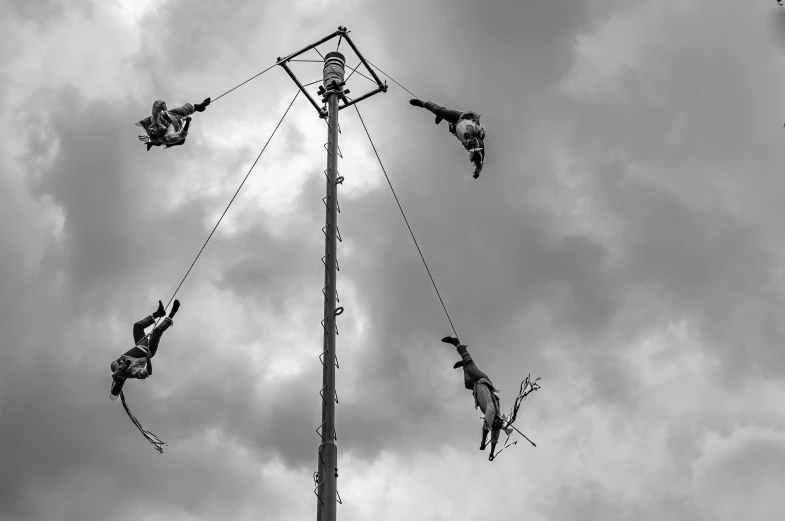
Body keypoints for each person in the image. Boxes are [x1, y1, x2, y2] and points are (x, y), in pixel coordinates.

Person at [441, 336, 512, 461]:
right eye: (493, 425)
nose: (492, 425)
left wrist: (492, 452)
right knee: (470, 366)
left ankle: (463, 364)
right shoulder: (491, 412)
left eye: (494, 426)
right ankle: (457, 343)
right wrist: (483, 443)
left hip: (476, 385)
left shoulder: (495, 424)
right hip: (482, 380)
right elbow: (485, 430)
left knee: (468, 384)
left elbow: (495, 439)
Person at [110, 299, 181, 400]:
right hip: (148, 352)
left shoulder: (114, 367)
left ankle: (159, 313)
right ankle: (172, 314)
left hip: (140, 344)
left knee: (137, 326)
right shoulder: (132, 372)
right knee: (157, 332)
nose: (120, 378)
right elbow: (148, 372)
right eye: (120, 381)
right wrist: (148, 359)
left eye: (117, 380)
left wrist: (120, 366)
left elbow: (114, 364)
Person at [409, 99, 486, 178]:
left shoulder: (471, 150)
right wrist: (477, 171)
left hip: (455, 126)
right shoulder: (479, 140)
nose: (468, 143)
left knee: (442, 113)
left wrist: (476, 172)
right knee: (438, 111)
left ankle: (442, 114)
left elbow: (479, 165)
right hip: (460, 118)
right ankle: (423, 103)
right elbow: (479, 165)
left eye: (468, 145)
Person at [136, 98, 210, 151]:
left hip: (172, 114)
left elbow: (158, 102)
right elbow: (182, 135)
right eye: (155, 132)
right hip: (177, 124)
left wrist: (166, 112)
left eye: (152, 130)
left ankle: (197, 108)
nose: (153, 130)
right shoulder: (167, 137)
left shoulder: (154, 121)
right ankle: (155, 143)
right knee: (181, 141)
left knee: (185, 109)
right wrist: (187, 123)